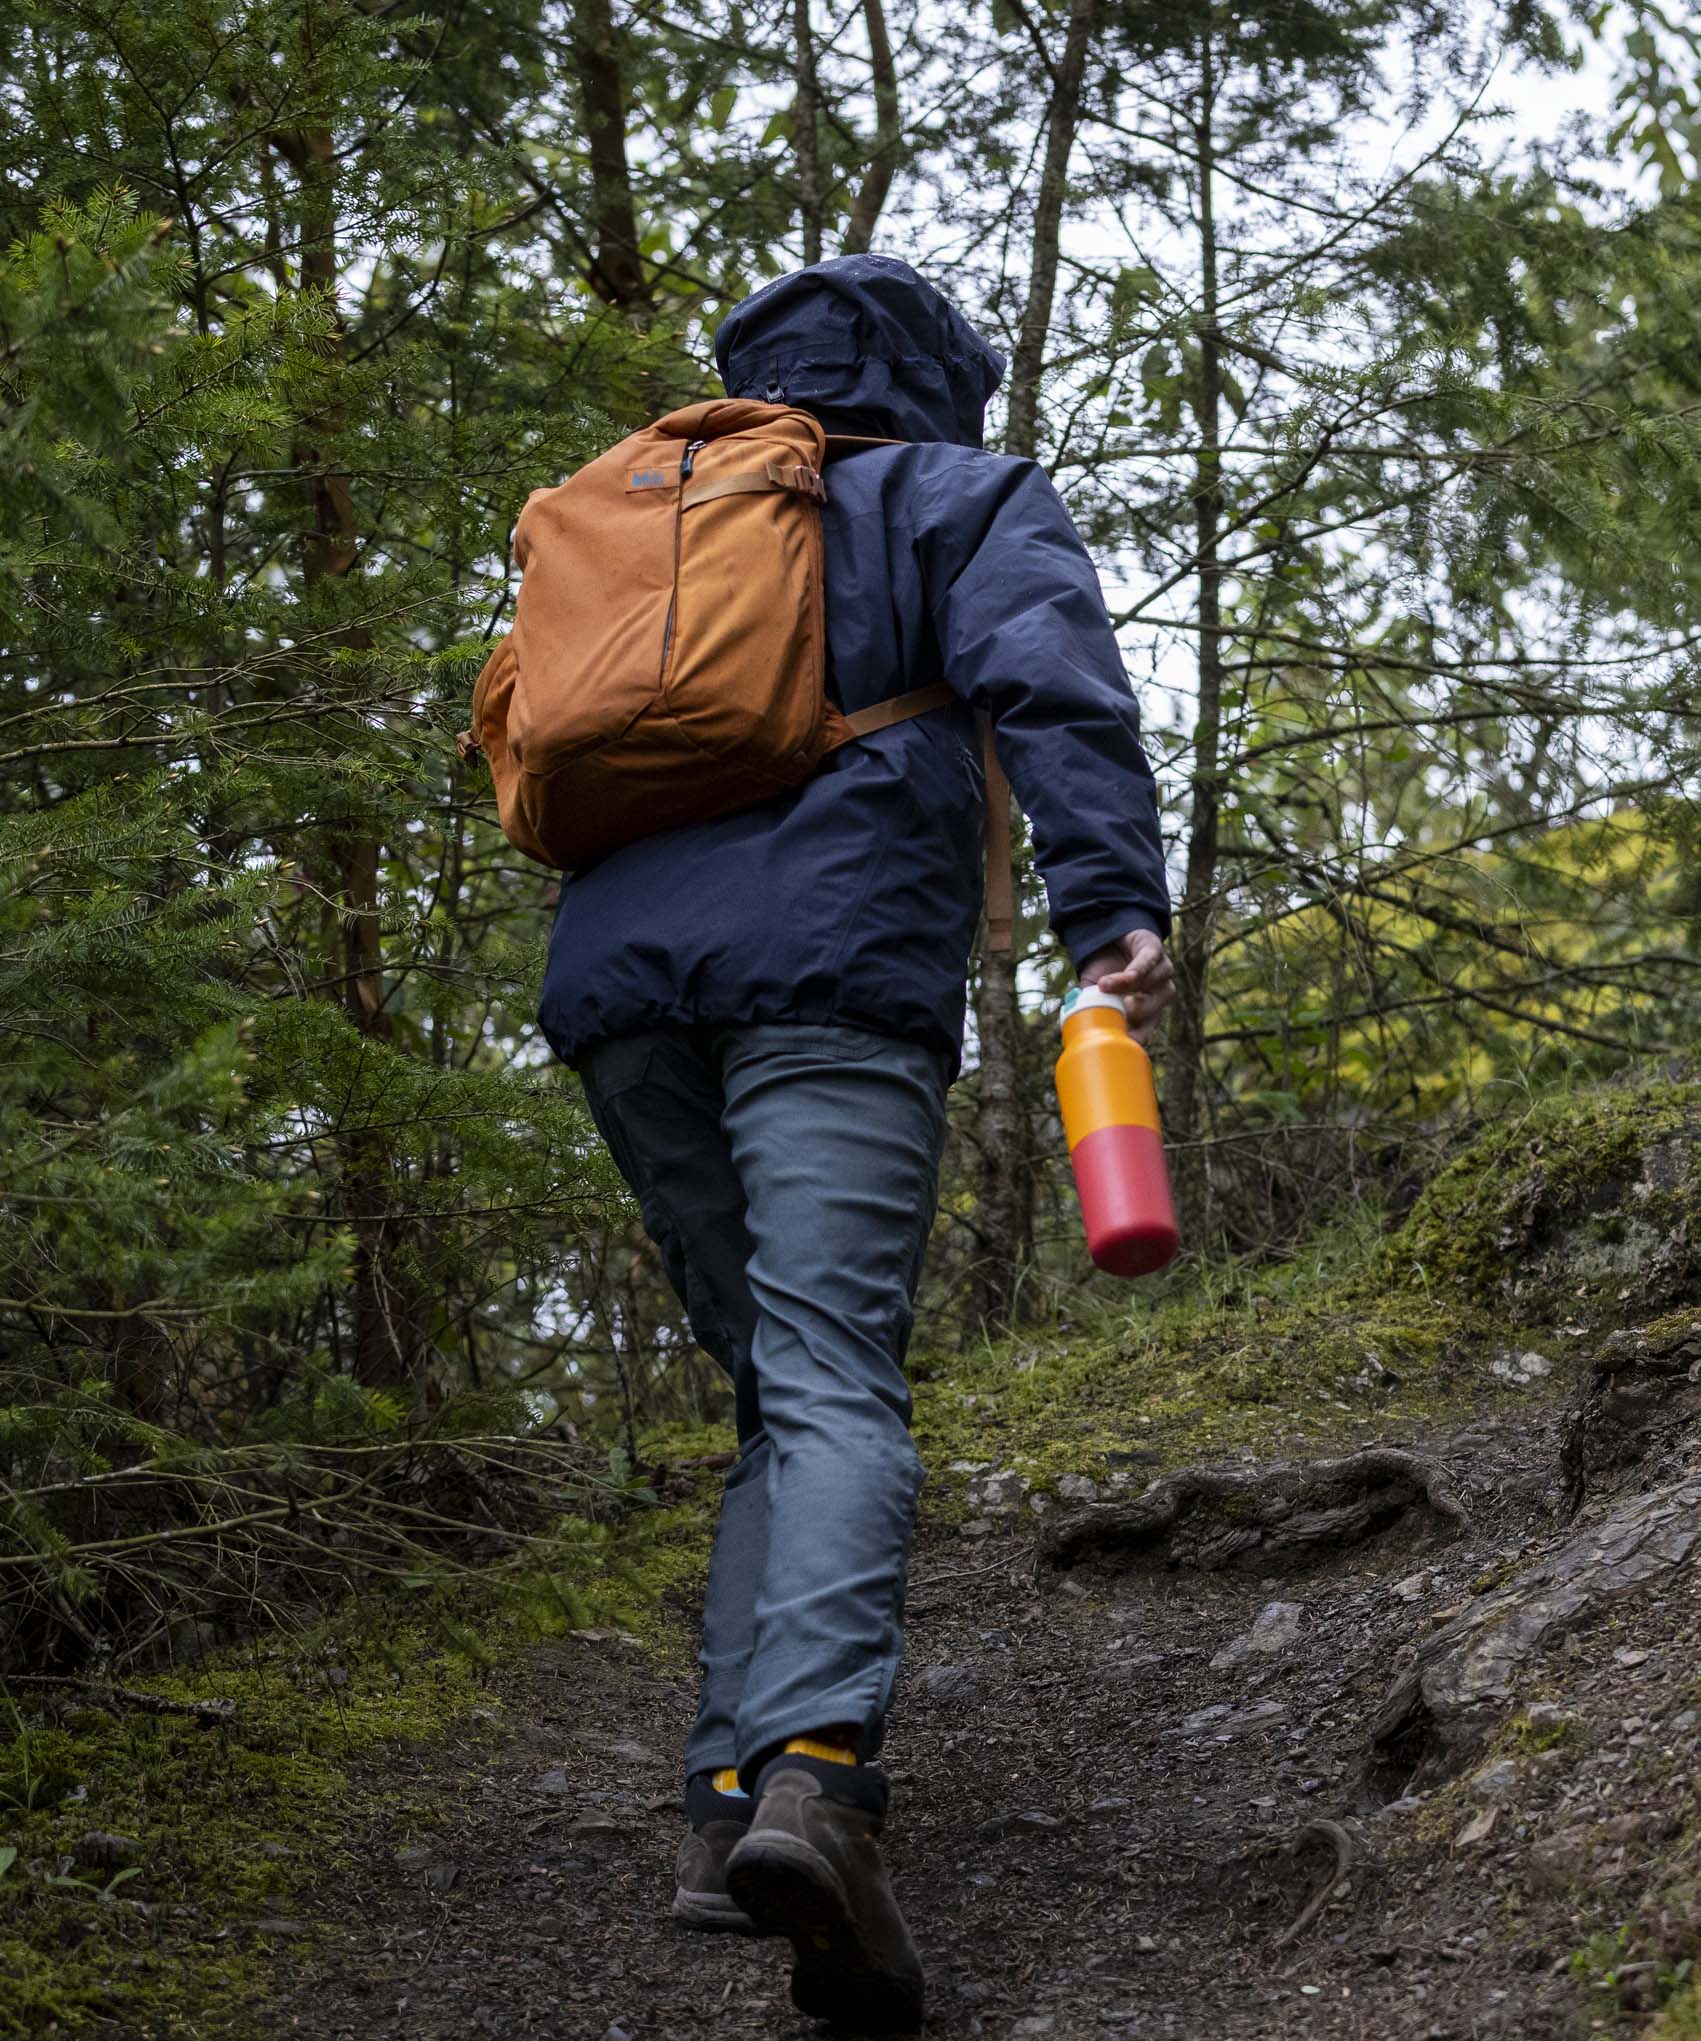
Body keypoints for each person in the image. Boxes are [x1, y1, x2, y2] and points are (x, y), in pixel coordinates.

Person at [535, 254, 1173, 2033]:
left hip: (619, 991)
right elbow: (1049, 686)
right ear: (935, 381)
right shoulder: (955, 496)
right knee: (830, 1382)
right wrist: (1107, 899)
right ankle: (813, 1774)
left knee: (770, 1381)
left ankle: (723, 1803)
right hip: (828, 970)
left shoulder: (651, 518)